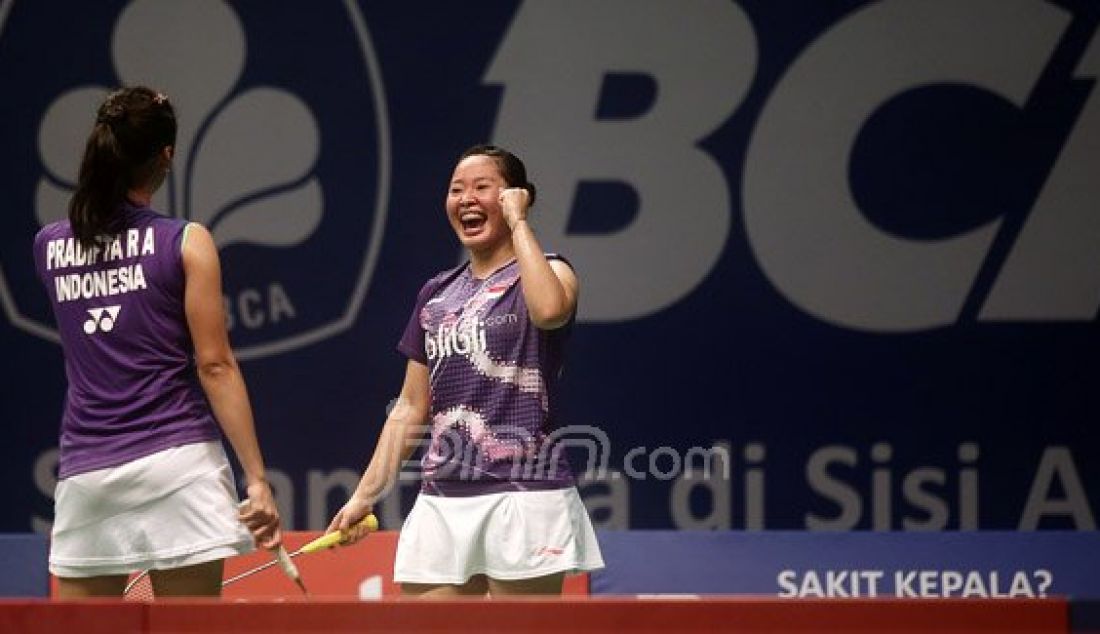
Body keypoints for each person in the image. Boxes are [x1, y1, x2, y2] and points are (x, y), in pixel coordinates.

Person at [33, 86, 282, 598]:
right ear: (166, 155)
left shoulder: (49, 246)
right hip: (178, 465)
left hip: (88, 473)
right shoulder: (186, 241)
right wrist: (256, 477)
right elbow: (214, 366)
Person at [328, 145, 604, 597]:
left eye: (482, 187)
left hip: (524, 496)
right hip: (443, 496)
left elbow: (551, 311)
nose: (466, 199)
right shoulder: (436, 295)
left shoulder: (551, 272)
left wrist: (519, 223)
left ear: (517, 196)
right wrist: (364, 495)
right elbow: (411, 407)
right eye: (457, 190)